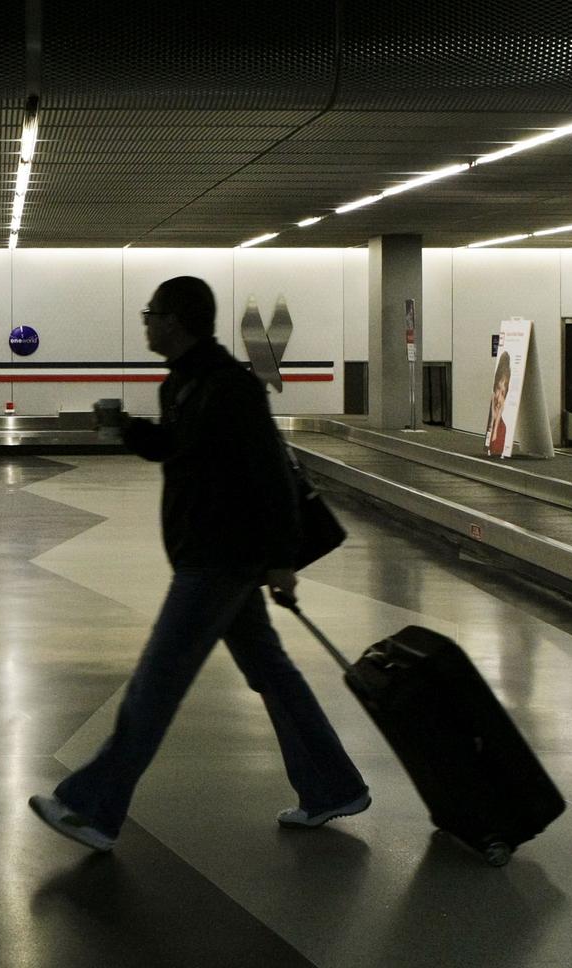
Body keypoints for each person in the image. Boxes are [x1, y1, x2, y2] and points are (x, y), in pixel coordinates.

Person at [28, 276, 370, 852]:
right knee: (274, 675)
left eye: (152, 313)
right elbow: (180, 448)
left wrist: (282, 559)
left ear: (177, 320)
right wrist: (126, 430)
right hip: (209, 555)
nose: (145, 322)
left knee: (157, 682)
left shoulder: (230, 387)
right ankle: (332, 786)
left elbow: (271, 473)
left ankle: (91, 808)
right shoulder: (183, 384)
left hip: (220, 560)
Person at [485, 350, 513, 456]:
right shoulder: (490, 417)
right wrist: (493, 417)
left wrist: (496, 422)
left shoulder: (503, 428)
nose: (499, 397)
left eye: (503, 393)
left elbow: (494, 439)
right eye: (497, 389)